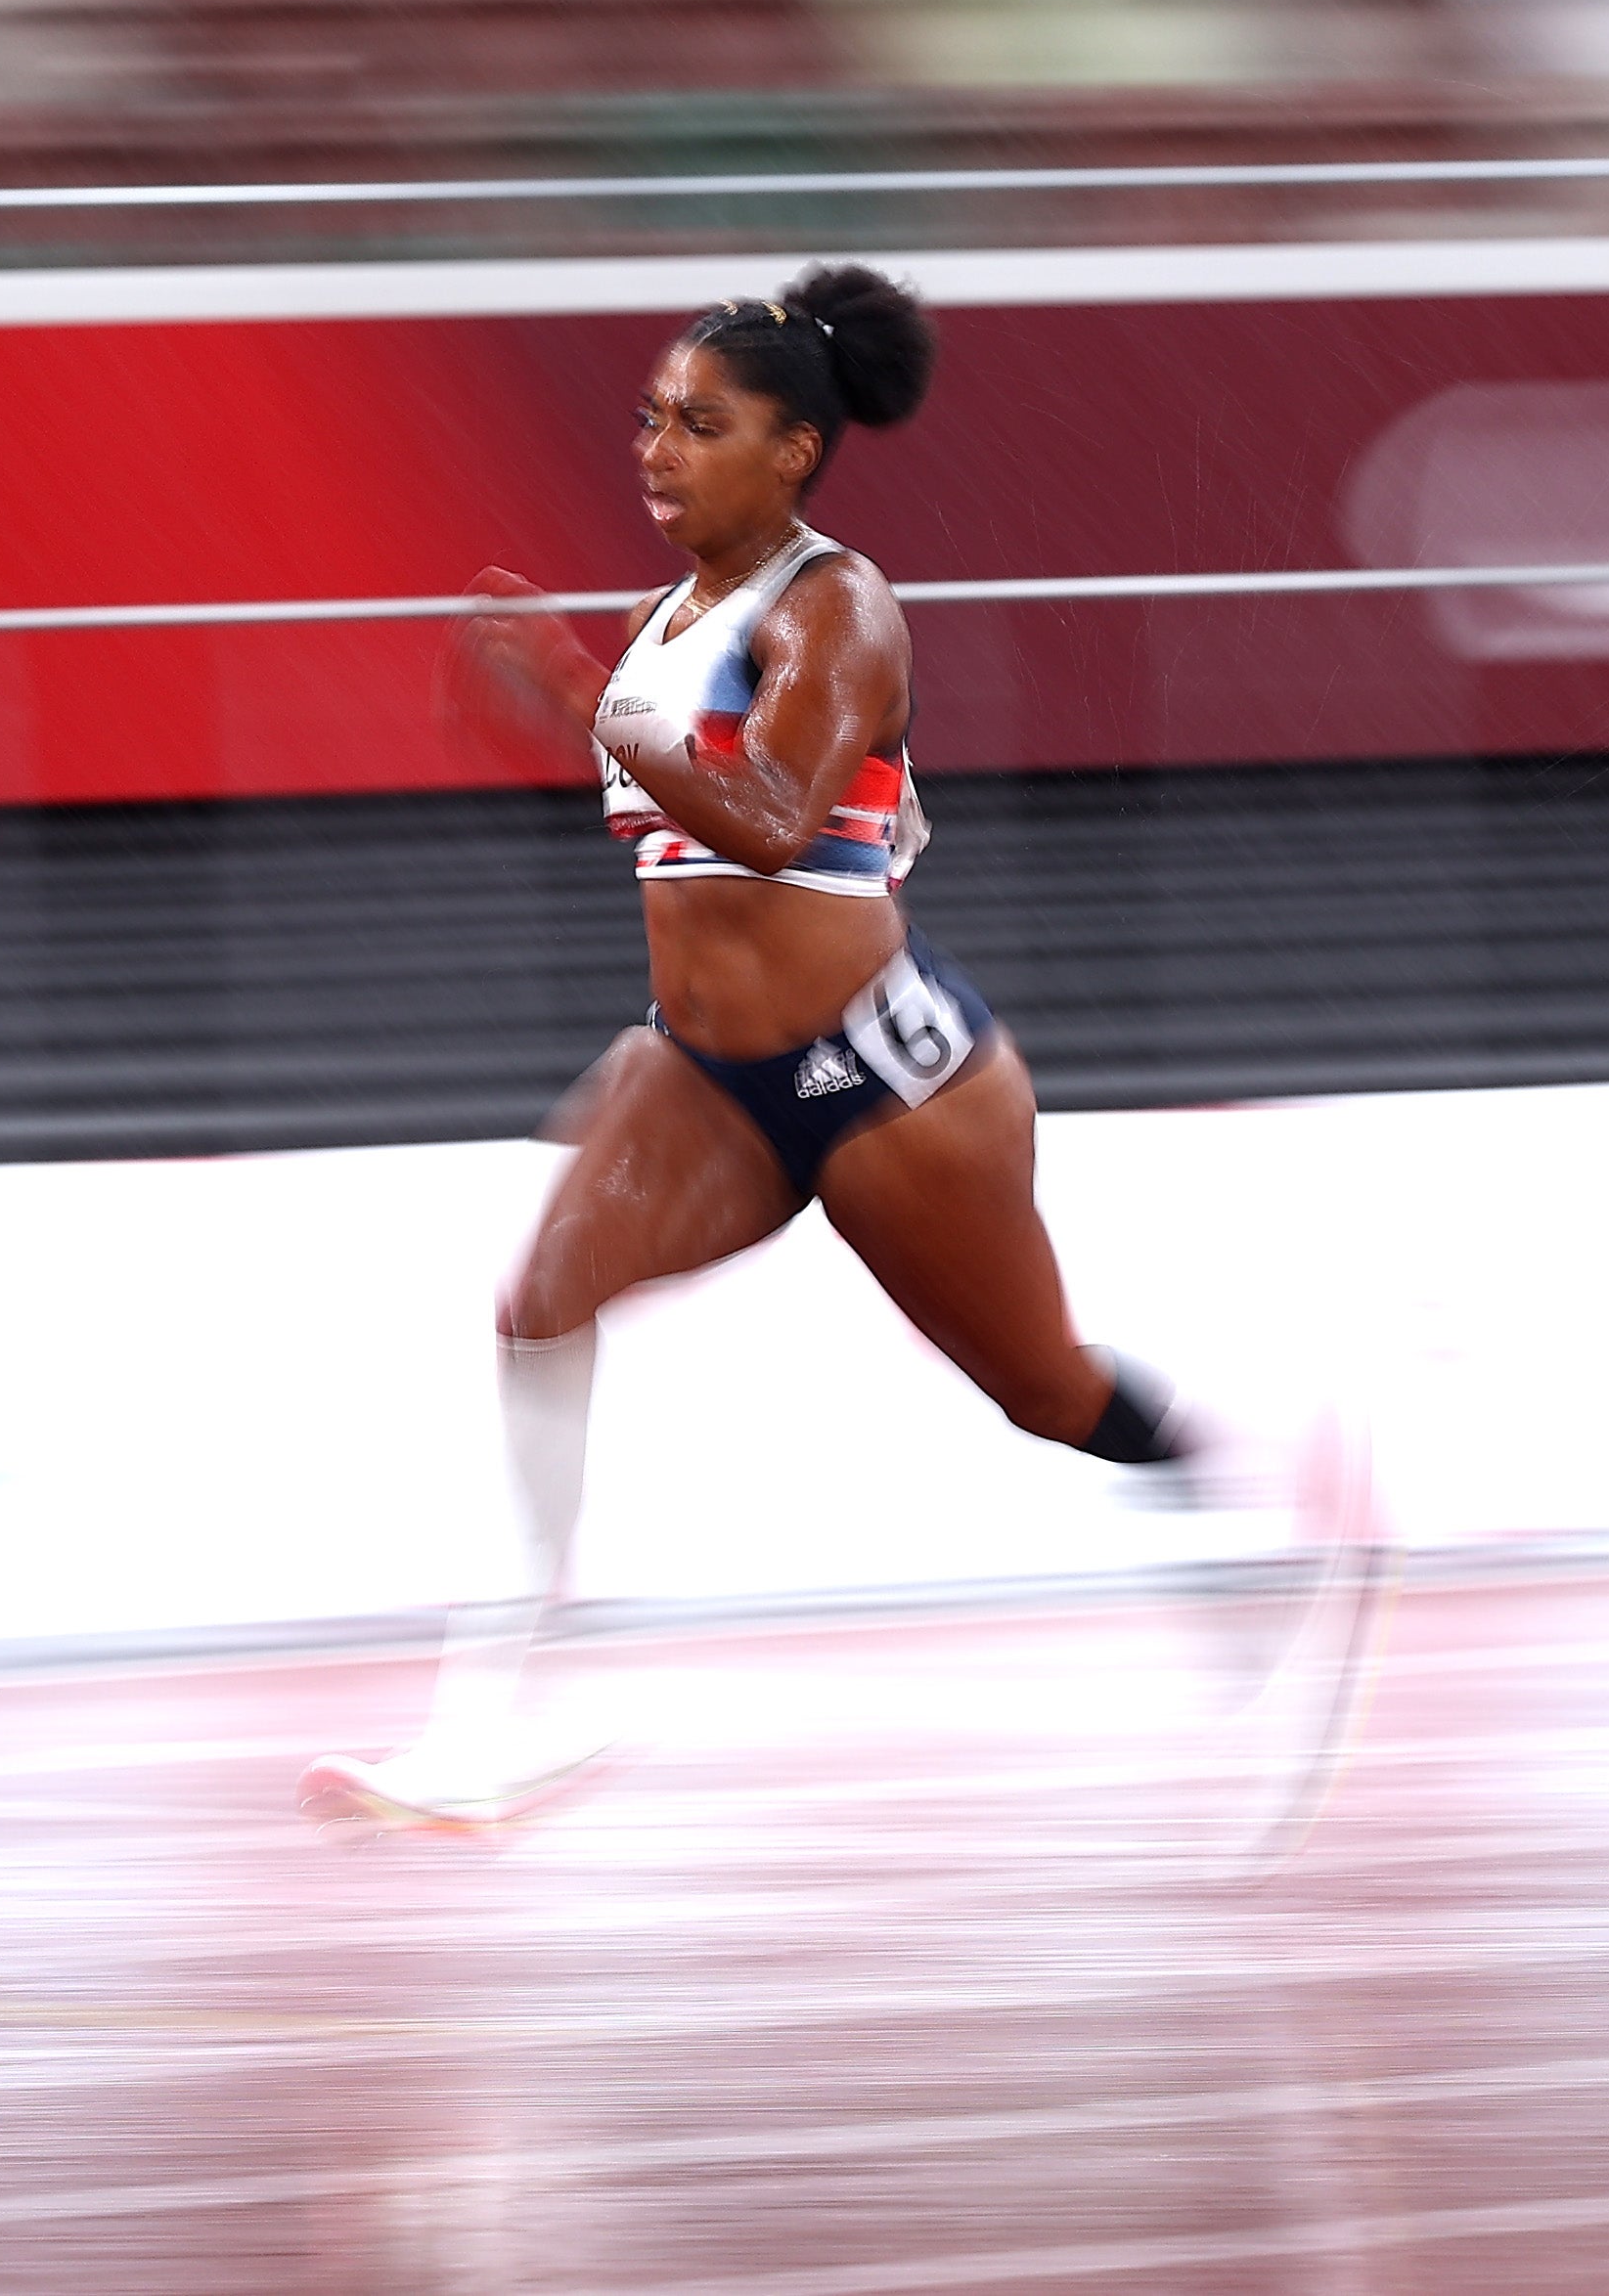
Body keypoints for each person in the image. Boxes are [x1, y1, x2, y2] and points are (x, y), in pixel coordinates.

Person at [300, 264, 1358, 1836]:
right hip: (713, 1074)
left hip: (886, 1078)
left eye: (701, 424)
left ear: (794, 451)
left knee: (1042, 1390)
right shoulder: (672, 620)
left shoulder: (839, 605)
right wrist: (577, 692)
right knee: (537, 1305)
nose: (656, 448)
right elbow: (682, 829)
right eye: (648, 417)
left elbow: (781, 821)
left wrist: (574, 688)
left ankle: (1274, 1501)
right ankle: (486, 1728)